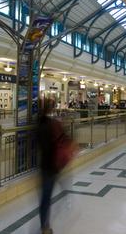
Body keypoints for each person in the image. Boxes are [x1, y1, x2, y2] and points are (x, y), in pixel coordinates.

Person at [37, 98, 73, 234]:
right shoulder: (53, 124)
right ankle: (45, 227)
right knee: (46, 197)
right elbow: (63, 139)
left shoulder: (39, 124)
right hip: (53, 165)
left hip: (45, 165)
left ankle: (44, 225)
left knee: (45, 197)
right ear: (51, 109)